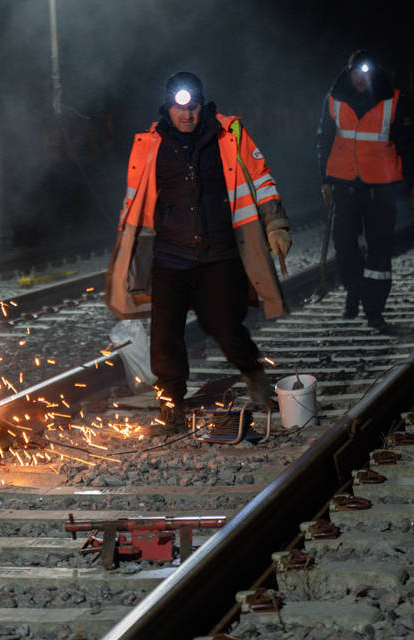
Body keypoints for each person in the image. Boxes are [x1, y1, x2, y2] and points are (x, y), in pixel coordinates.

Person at [105, 71, 292, 434]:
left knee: (224, 326)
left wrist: (276, 223)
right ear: (167, 109)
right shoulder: (150, 144)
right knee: (164, 337)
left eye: (193, 108)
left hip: (218, 253)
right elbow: (135, 201)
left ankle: (254, 375)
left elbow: (261, 177)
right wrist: (128, 251)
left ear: (202, 106)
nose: (186, 115)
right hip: (170, 255)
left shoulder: (228, 135)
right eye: (179, 109)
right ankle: (172, 405)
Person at [317, 49, 414, 332]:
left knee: (379, 253)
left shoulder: (395, 101)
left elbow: (411, 144)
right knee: (344, 247)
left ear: (374, 74)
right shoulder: (334, 100)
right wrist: (325, 180)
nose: (358, 80)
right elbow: (324, 139)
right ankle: (355, 293)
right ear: (348, 73)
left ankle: (374, 311)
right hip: (345, 187)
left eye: (364, 74)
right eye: (354, 74)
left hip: (382, 189)